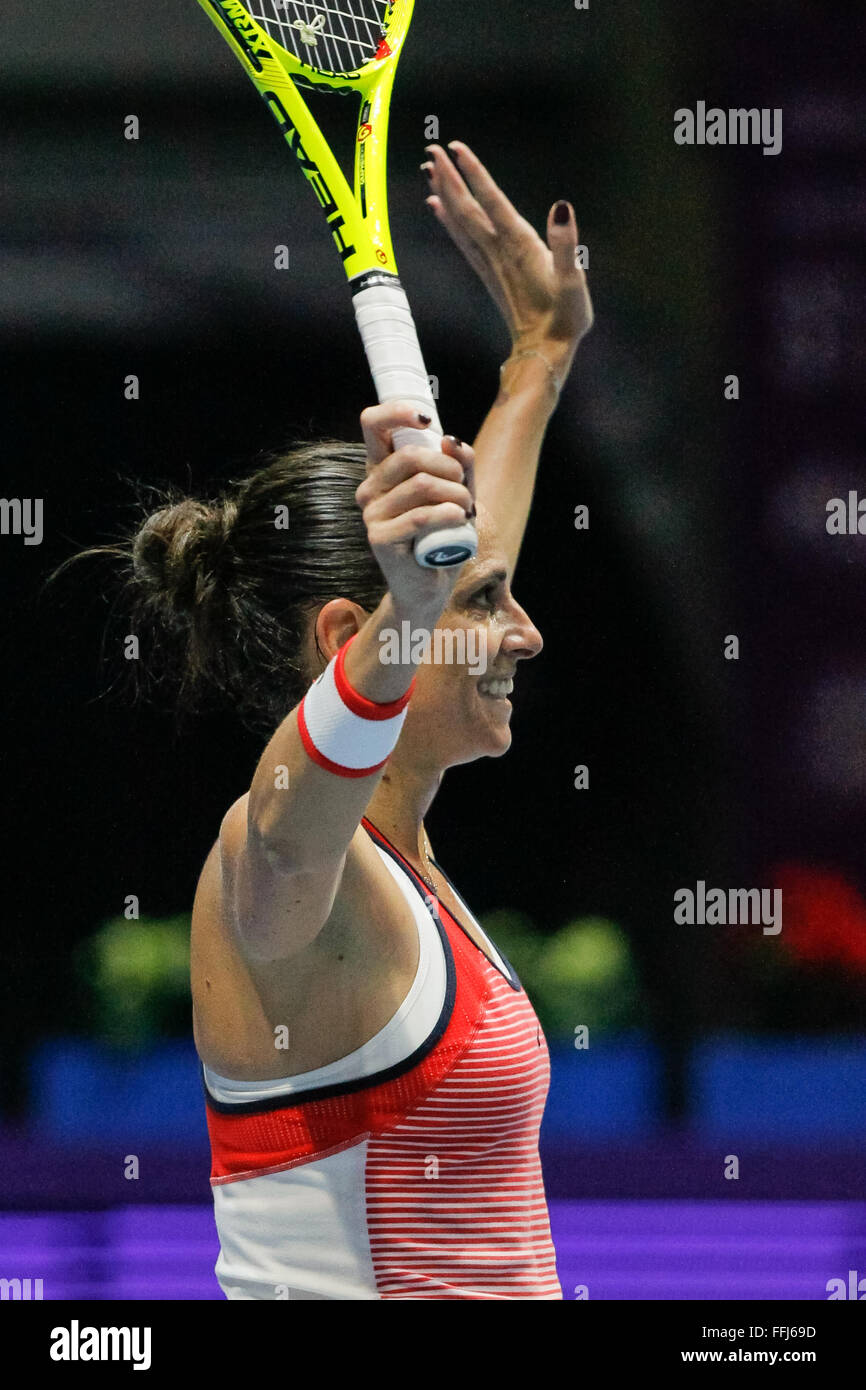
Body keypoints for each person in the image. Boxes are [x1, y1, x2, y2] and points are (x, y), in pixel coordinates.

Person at [87, 142, 592, 1298]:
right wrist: (411, 611)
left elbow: (477, 554)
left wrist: (537, 360)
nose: (525, 634)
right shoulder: (285, 877)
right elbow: (281, 828)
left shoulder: (408, 861)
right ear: (346, 641)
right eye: (480, 603)